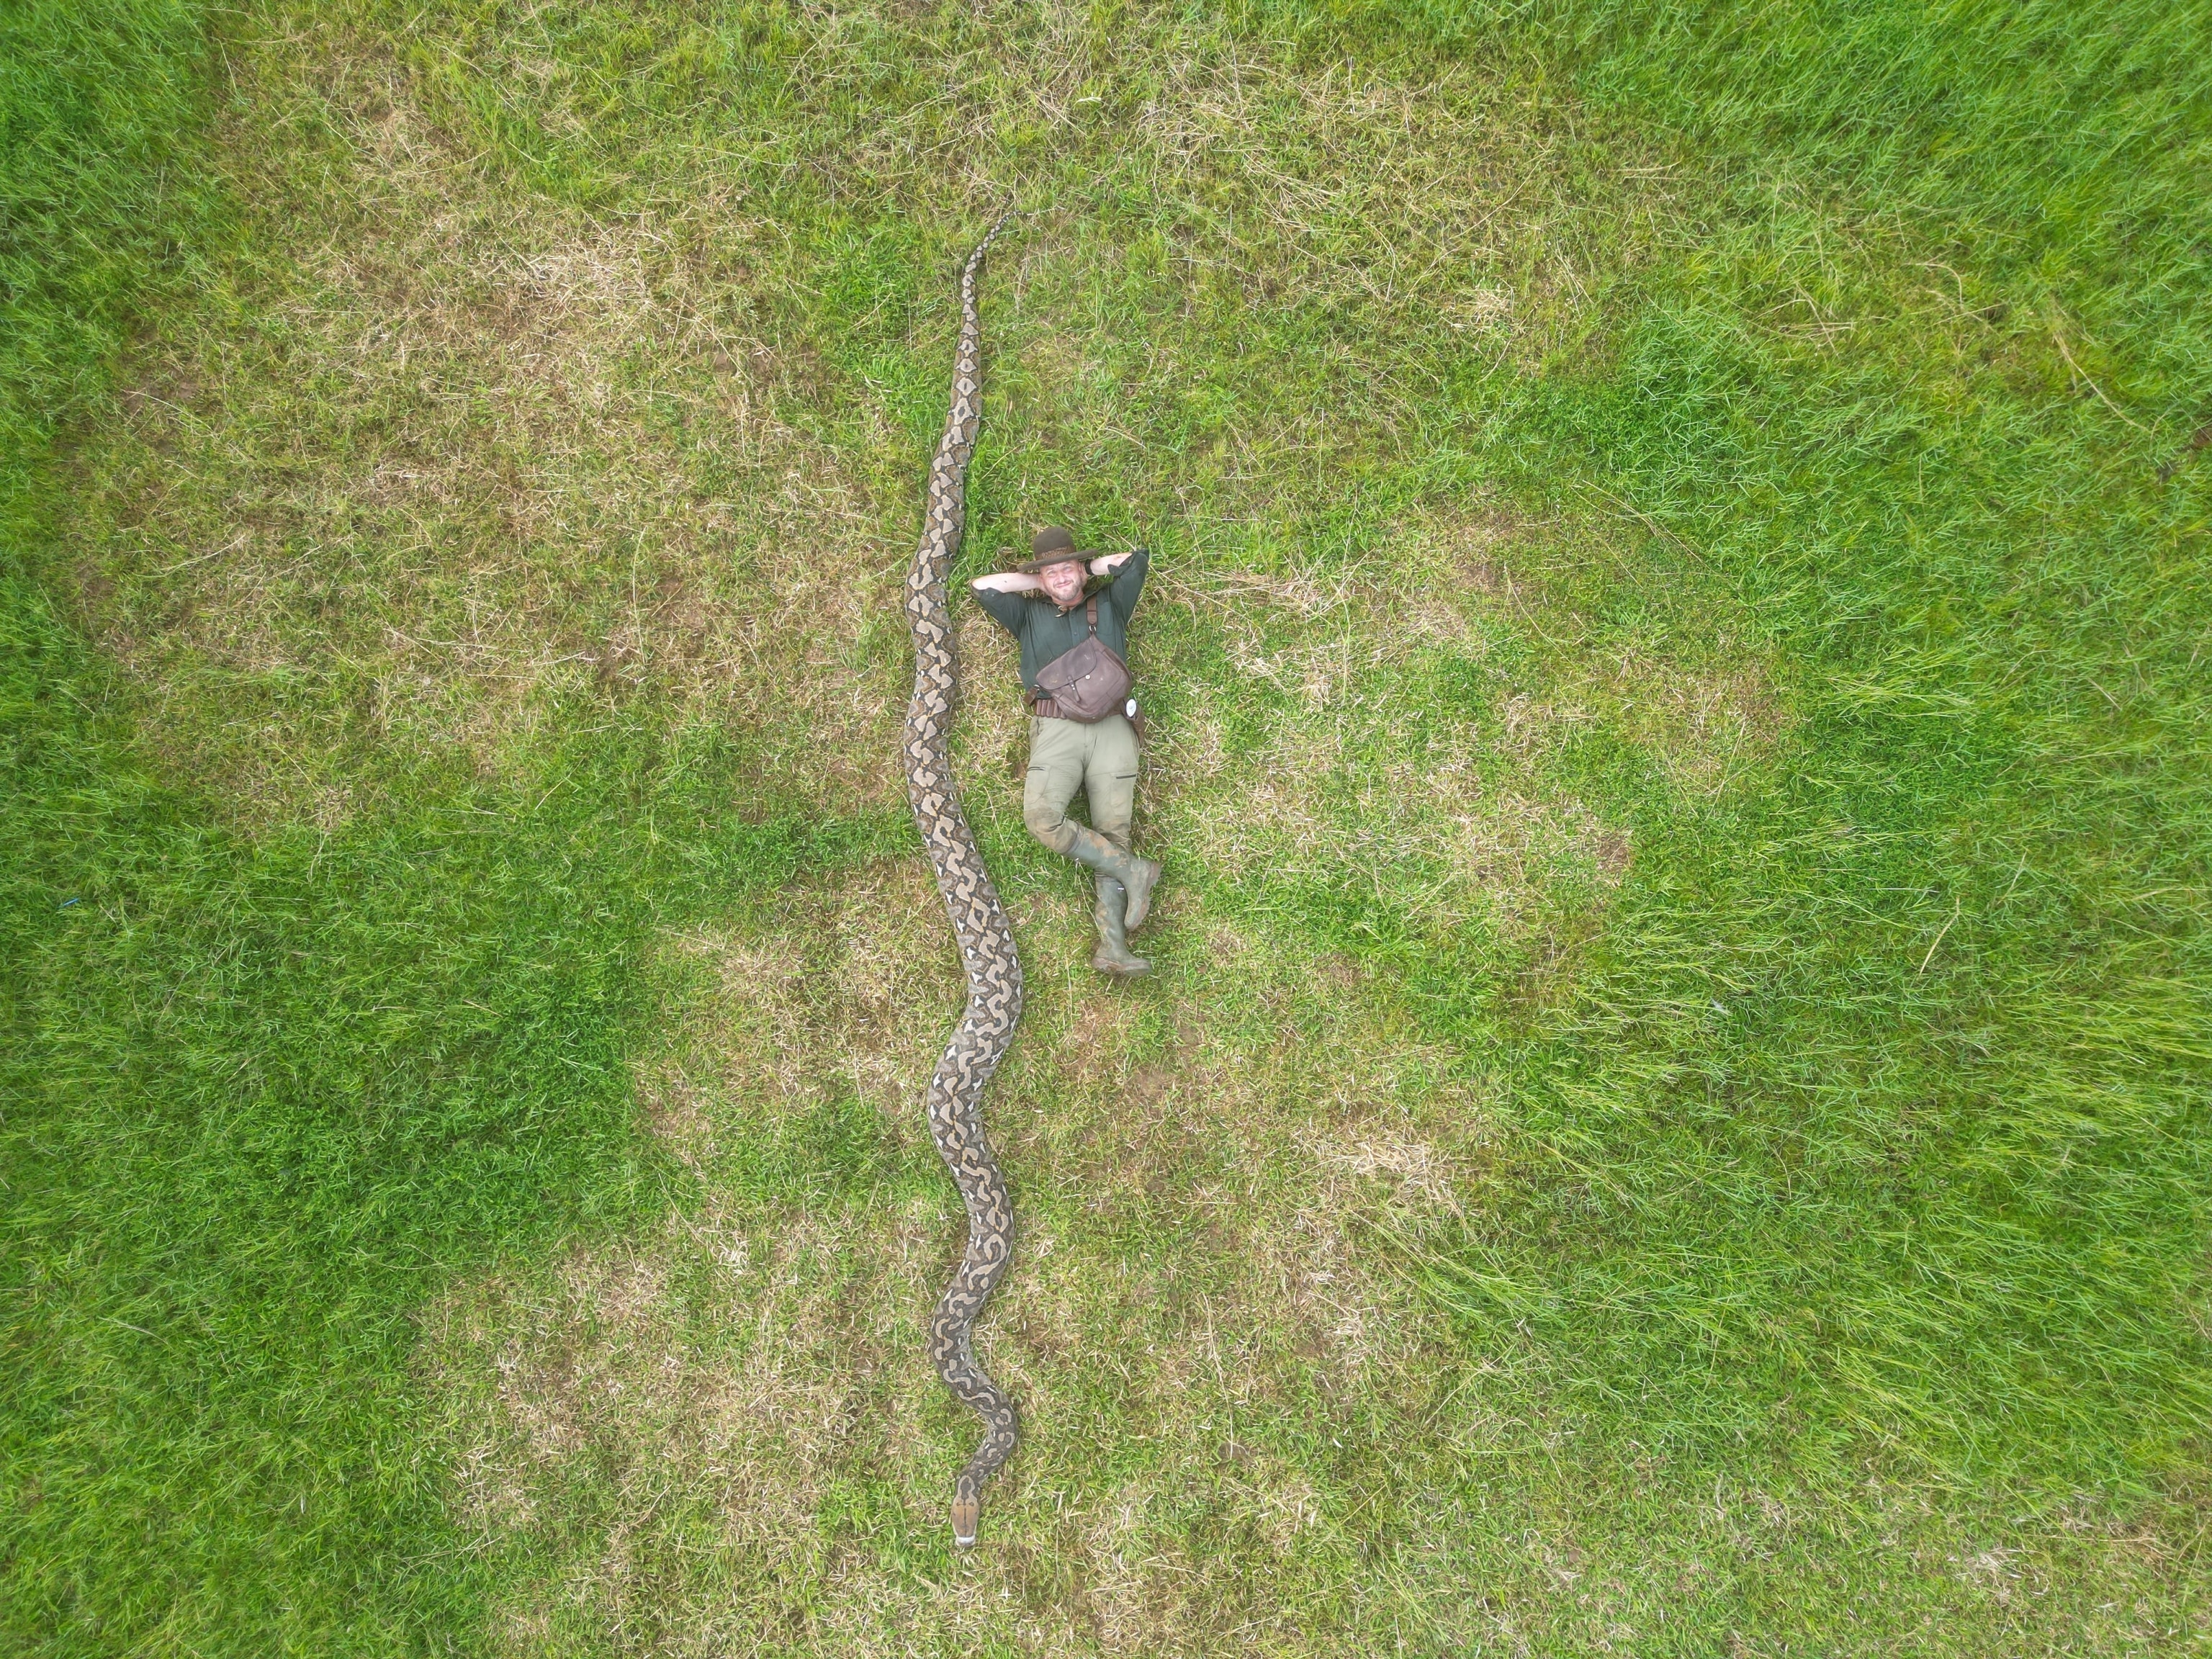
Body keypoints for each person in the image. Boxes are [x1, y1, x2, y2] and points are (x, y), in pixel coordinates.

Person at [969, 526, 1161, 977]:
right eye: (1050, 571)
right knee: (1042, 818)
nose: (1059, 577)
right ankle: (1134, 871)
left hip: (1114, 726)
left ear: (1080, 568)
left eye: (1066, 567)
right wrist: (1040, 579)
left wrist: (1085, 571)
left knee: (1113, 832)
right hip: (1056, 727)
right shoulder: (1027, 616)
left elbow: (1134, 560)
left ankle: (1113, 947)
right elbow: (983, 586)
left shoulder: (1110, 604)